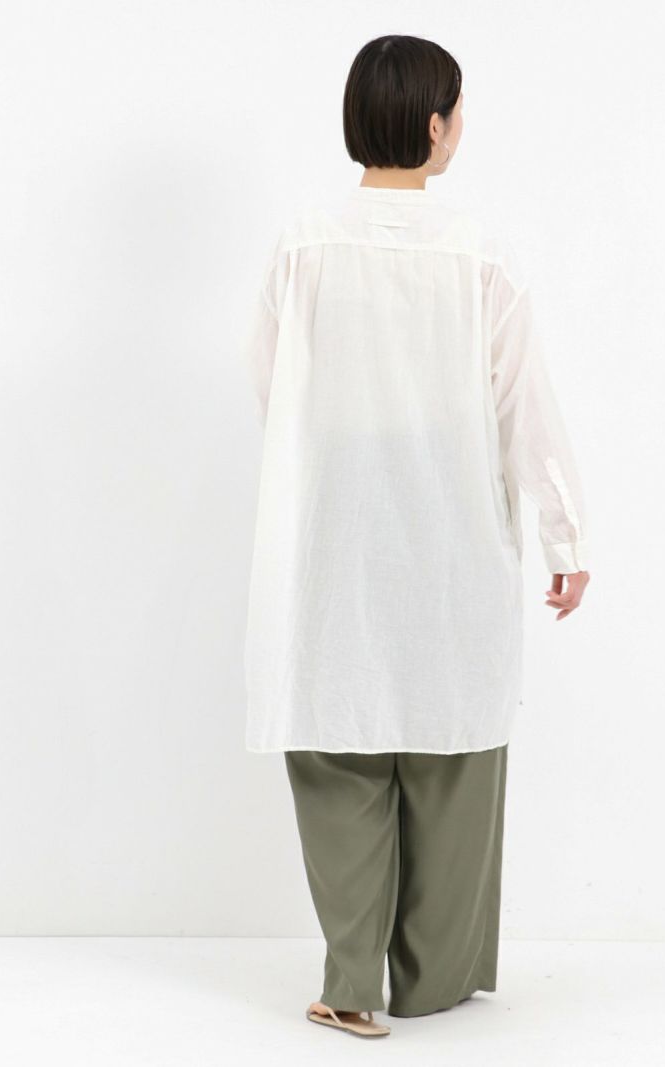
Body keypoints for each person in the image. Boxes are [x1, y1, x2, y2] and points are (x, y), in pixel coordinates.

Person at [243, 34, 591, 1039]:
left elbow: (270, 384)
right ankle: (435, 980)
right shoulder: (478, 252)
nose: (461, 125)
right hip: (452, 533)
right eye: (459, 109)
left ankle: (351, 978)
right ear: (434, 124)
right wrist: (565, 538)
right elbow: (525, 407)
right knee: (451, 750)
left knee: (337, 745)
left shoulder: (303, 245)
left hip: (333, 537)